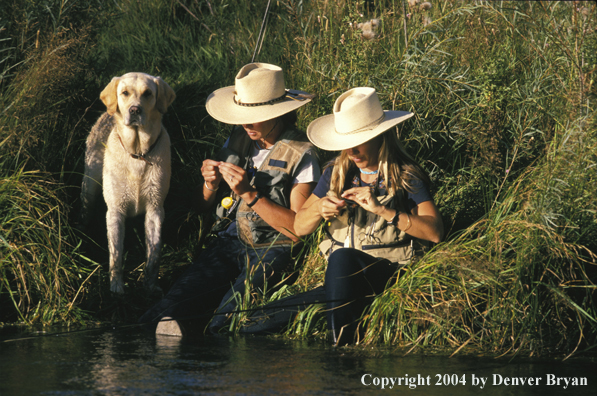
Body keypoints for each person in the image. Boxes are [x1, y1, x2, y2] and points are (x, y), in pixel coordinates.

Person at [243, 87, 443, 345]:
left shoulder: (406, 176)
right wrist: (318, 208)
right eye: (346, 143)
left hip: (390, 274)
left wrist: (383, 209)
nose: (351, 151)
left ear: (380, 136)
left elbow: (435, 232)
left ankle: (340, 352)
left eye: (358, 142)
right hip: (341, 282)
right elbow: (299, 227)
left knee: (342, 257)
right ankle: (339, 350)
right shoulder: (334, 174)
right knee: (257, 320)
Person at [139, 63, 320, 335]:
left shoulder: (302, 153)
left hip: (271, 247)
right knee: (166, 310)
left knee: (227, 321)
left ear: (278, 113)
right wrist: (210, 185)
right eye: (243, 115)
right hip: (227, 241)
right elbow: (200, 206)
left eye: (255, 115)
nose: (246, 123)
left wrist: (250, 194)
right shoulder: (238, 138)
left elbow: (296, 231)